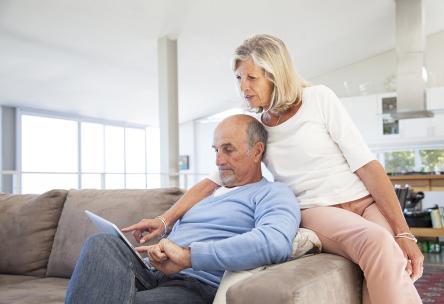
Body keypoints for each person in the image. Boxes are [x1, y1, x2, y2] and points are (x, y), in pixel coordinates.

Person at [134, 34, 424, 304]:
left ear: (275, 75)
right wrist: (164, 220)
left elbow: (367, 165)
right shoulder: (257, 128)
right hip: (317, 209)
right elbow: (212, 181)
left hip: (362, 200)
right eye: (238, 78)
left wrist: (405, 233)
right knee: (377, 242)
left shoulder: (319, 98)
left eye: (251, 78)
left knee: (395, 257)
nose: (243, 87)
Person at [65, 114, 300, 304]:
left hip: (196, 283)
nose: (218, 160)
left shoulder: (273, 193)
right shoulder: (206, 194)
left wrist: (188, 257)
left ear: (257, 151)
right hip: (152, 272)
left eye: (228, 149)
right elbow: (181, 234)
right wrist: (162, 248)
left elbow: (274, 242)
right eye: (216, 150)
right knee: (102, 243)